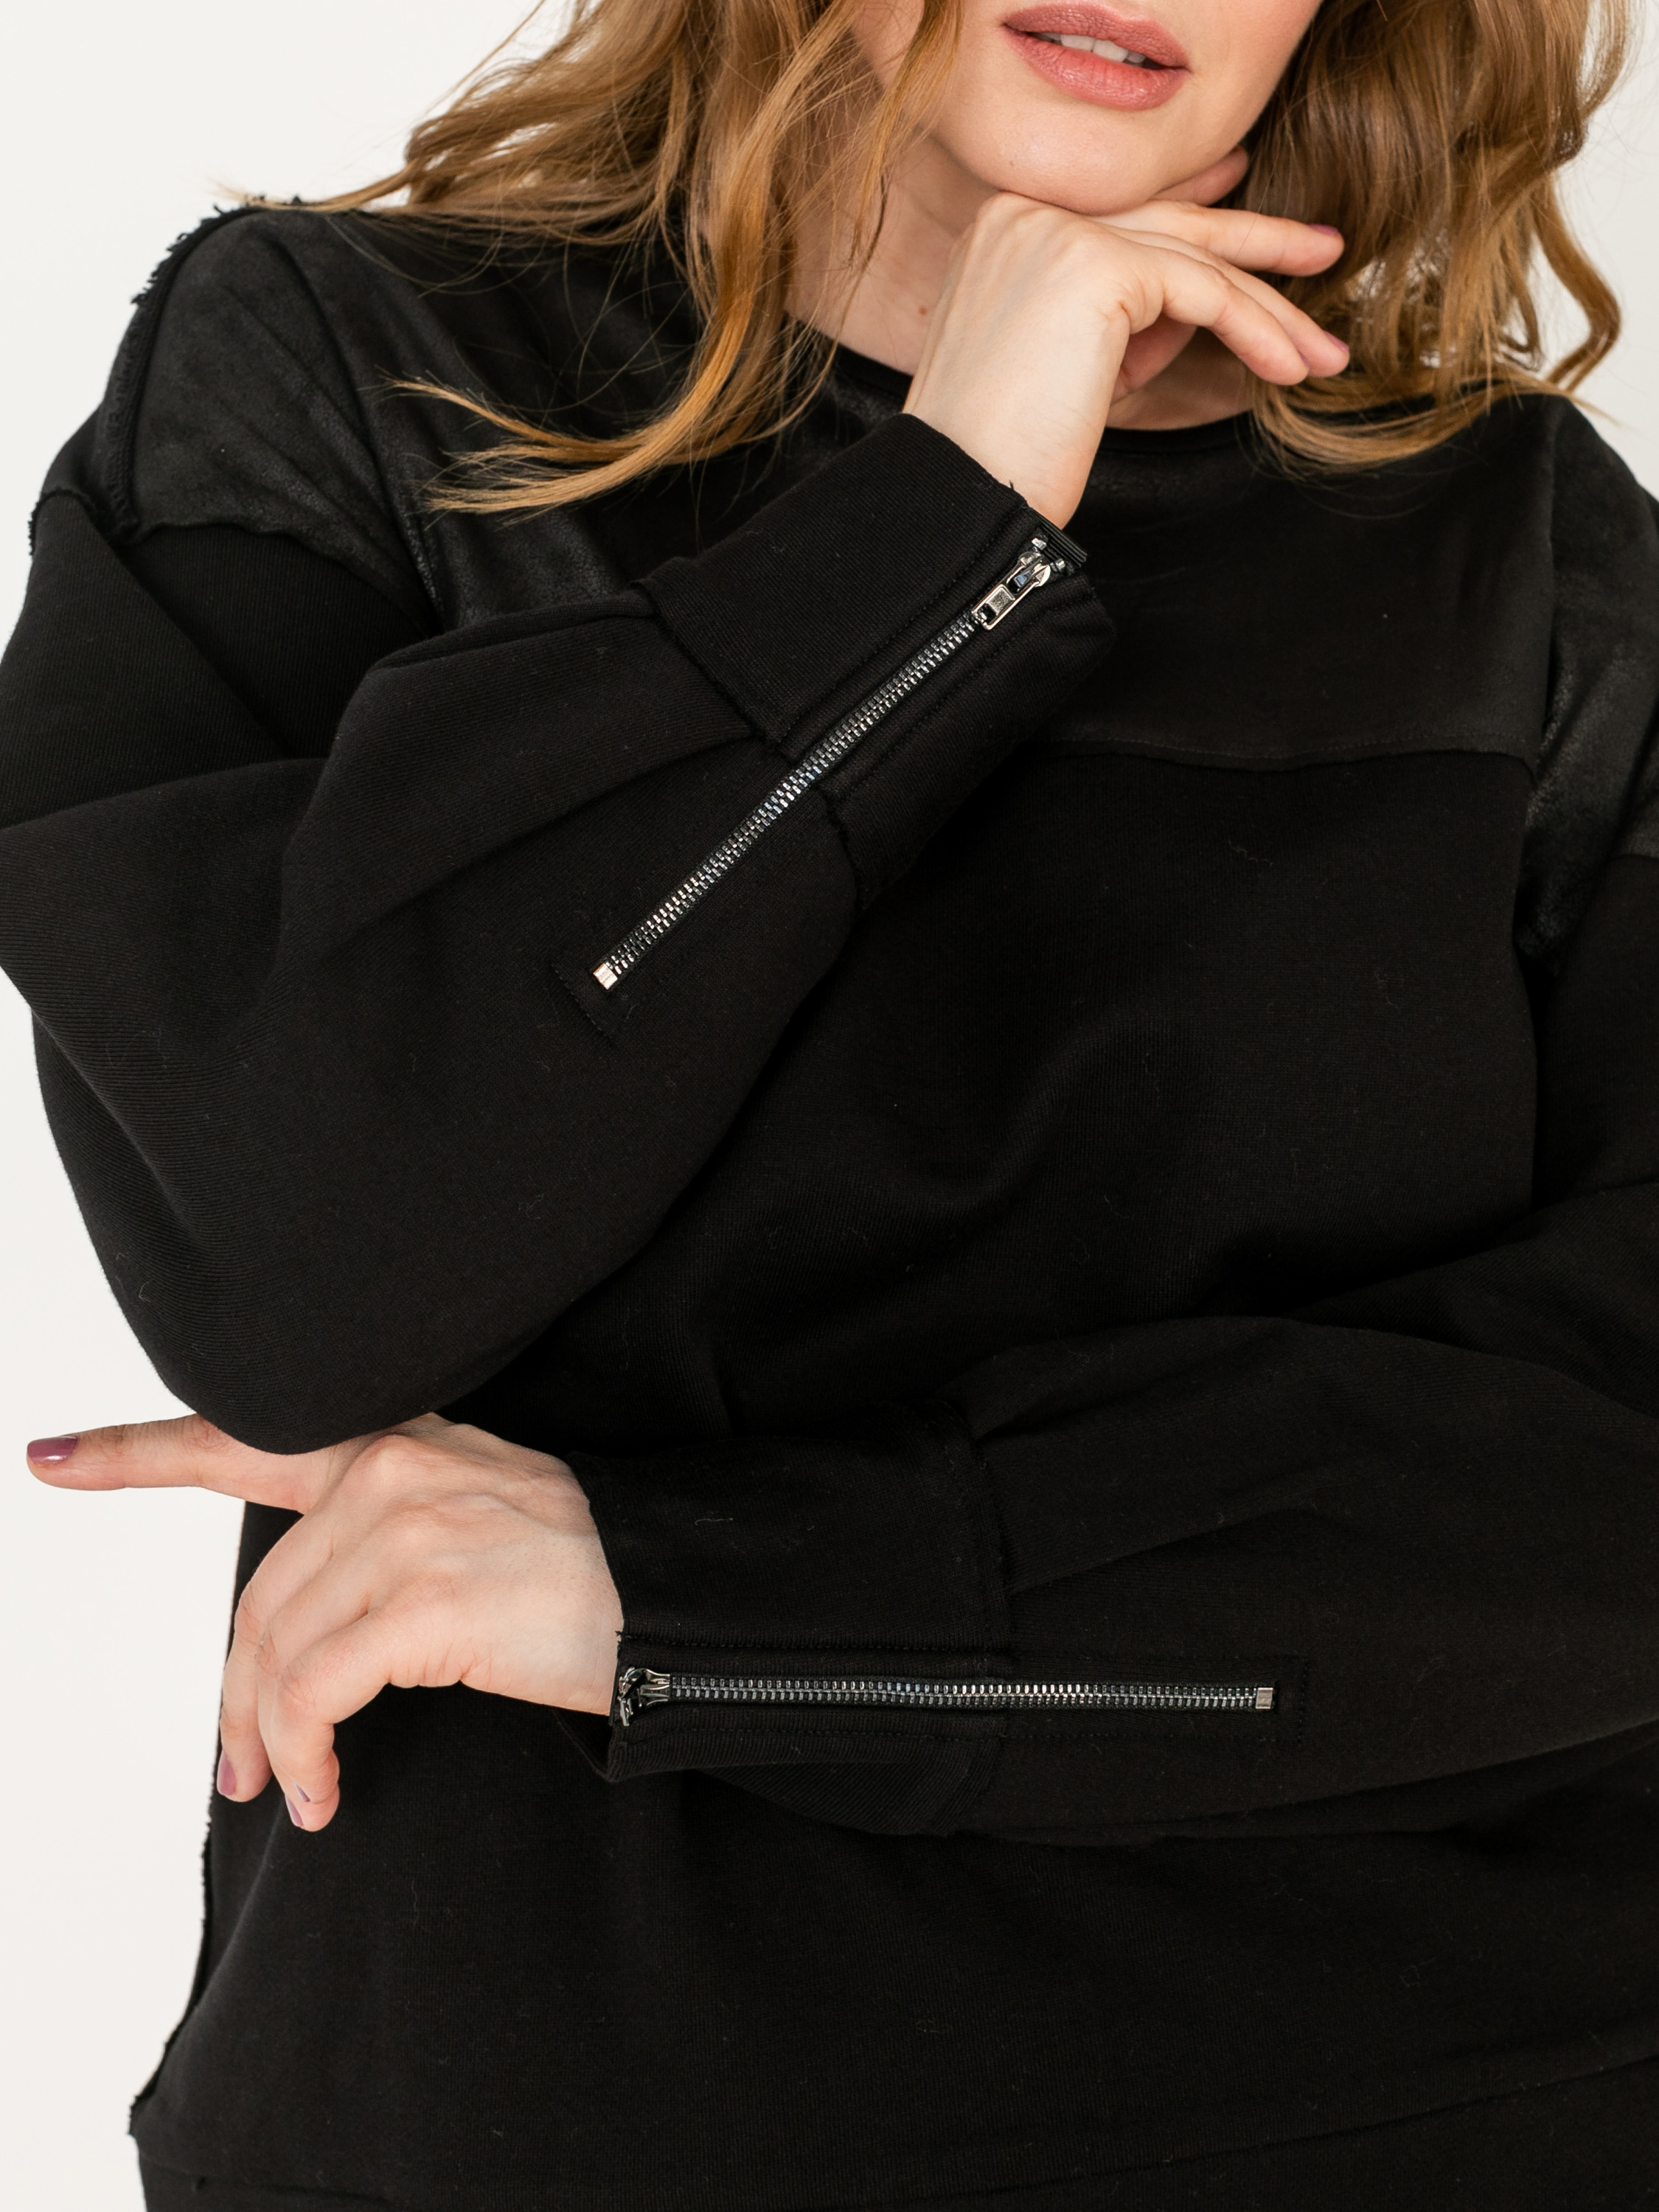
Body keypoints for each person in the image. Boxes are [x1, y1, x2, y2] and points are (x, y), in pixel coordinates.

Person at [2, 0, 1656, 2202]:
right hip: (557, 2129)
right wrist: (944, 527)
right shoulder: (355, 372)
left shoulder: (1510, 544)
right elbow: (295, 1263)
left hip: (1440, 2101)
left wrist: (712, 1605)